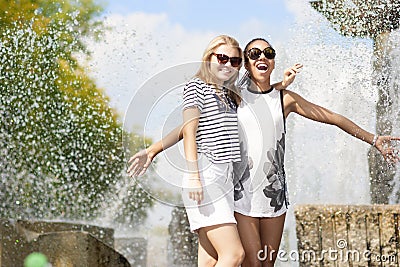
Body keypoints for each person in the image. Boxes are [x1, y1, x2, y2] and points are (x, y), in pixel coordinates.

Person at [128, 37, 400, 266]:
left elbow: (333, 117)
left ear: (272, 60)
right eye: (254, 53)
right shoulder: (234, 95)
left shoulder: (285, 99)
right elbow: (190, 127)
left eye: (268, 53)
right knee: (248, 261)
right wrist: (154, 149)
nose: (262, 56)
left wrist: (373, 139)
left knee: (266, 263)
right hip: (239, 194)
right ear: (246, 63)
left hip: (274, 197)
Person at [172, 34, 246, 267]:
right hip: (206, 176)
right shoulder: (196, 86)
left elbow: (263, 87)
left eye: (235, 61)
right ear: (209, 57)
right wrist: (194, 176)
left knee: (210, 260)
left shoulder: (228, 93)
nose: (228, 64)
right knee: (234, 254)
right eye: (222, 58)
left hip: (224, 179)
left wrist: (282, 84)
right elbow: (189, 131)